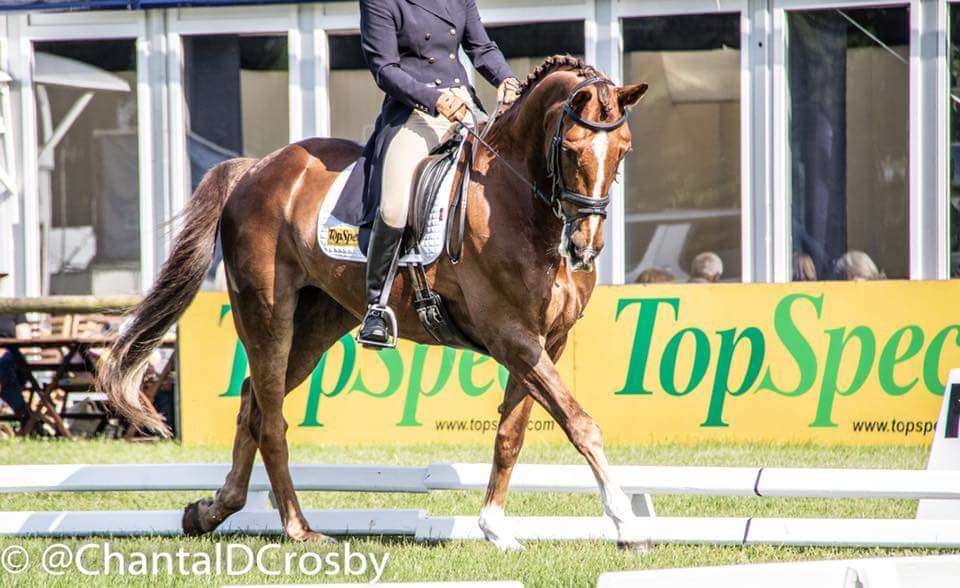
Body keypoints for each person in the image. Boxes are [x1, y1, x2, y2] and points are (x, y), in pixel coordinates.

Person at [355, 0, 522, 347]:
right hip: (417, 113)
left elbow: (481, 47)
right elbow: (384, 68)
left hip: (466, 109)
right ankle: (377, 305)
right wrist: (434, 99)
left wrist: (504, 77)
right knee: (394, 207)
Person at [0, 273, 28, 425]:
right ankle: (26, 417)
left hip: (13, 361)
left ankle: (25, 416)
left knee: (5, 362)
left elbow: (24, 338)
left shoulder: (14, 308)